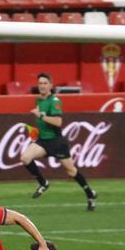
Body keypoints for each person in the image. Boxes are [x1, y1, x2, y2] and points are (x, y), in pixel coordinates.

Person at [20, 73, 98, 210]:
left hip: (56, 142)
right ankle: (43, 183)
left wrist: (41, 116)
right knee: (25, 158)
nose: (42, 86)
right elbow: (42, 121)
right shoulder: (39, 100)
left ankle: (90, 194)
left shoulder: (55, 101)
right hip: (43, 141)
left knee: (71, 171)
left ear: (50, 85)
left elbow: (58, 121)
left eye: (45, 83)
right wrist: (36, 130)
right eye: (40, 83)